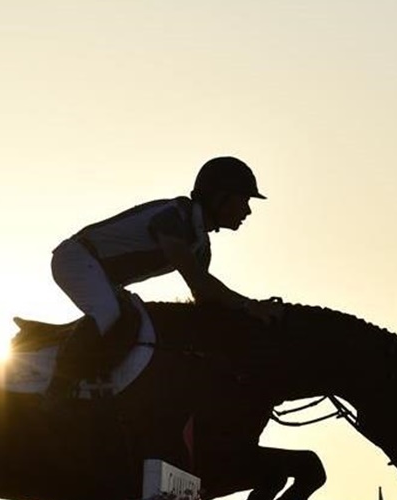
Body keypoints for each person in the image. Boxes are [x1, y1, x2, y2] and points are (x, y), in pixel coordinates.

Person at [46, 156, 279, 402]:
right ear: (220, 198)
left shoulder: (201, 245)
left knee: (133, 318)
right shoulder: (174, 217)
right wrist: (249, 306)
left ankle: (92, 381)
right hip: (74, 258)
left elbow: (205, 300)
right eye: (244, 200)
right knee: (109, 312)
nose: (247, 210)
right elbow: (197, 280)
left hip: (100, 274)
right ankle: (58, 386)